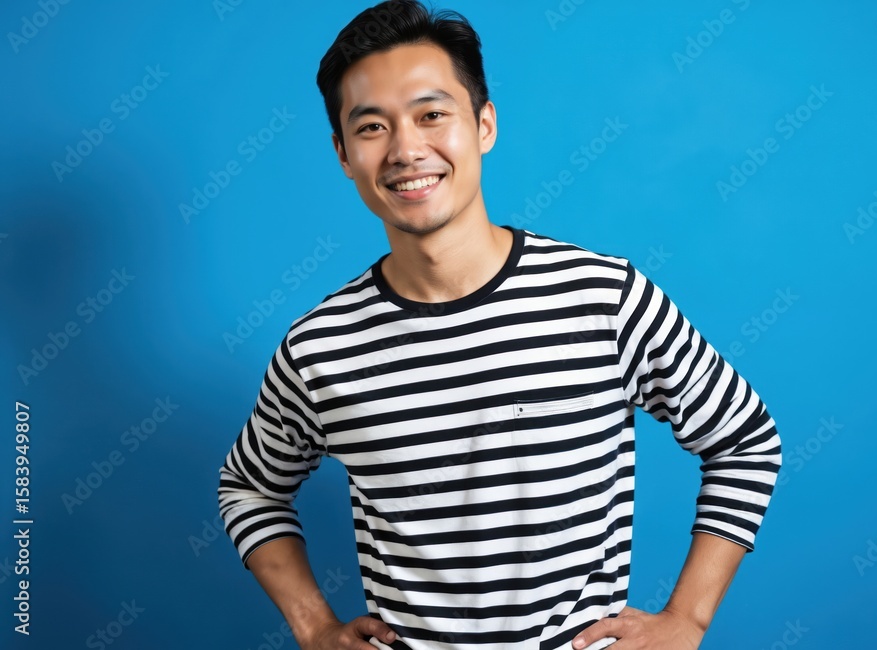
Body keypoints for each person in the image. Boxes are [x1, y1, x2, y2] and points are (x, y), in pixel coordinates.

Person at [217, 1, 782, 648]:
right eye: (371, 127)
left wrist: (689, 620)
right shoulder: (320, 348)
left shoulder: (604, 297)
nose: (406, 149)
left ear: (483, 124)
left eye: (432, 115)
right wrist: (314, 627)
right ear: (343, 154)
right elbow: (249, 488)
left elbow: (744, 441)